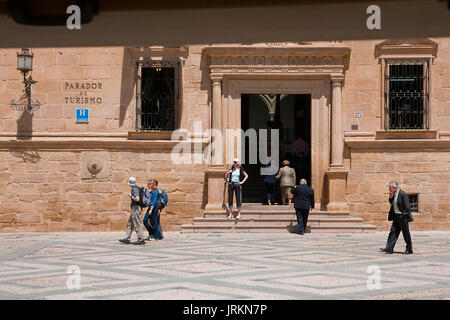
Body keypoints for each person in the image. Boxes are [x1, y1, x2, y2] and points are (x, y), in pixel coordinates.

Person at [379, 181, 414, 254]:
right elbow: (393, 203)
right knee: (393, 232)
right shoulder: (395, 194)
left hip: (403, 217)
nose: (389, 189)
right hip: (396, 217)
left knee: (406, 233)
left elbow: (407, 207)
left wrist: (404, 216)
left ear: (395, 188)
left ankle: (409, 249)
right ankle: (389, 247)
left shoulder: (402, 194)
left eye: (390, 188)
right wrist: (391, 197)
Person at [119, 176, 145, 245]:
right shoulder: (136, 188)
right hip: (135, 208)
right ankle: (127, 238)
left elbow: (137, 199)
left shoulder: (135, 189)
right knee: (130, 223)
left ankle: (141, 238)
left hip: (136, 207)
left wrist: (131, 196)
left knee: (137, 222)